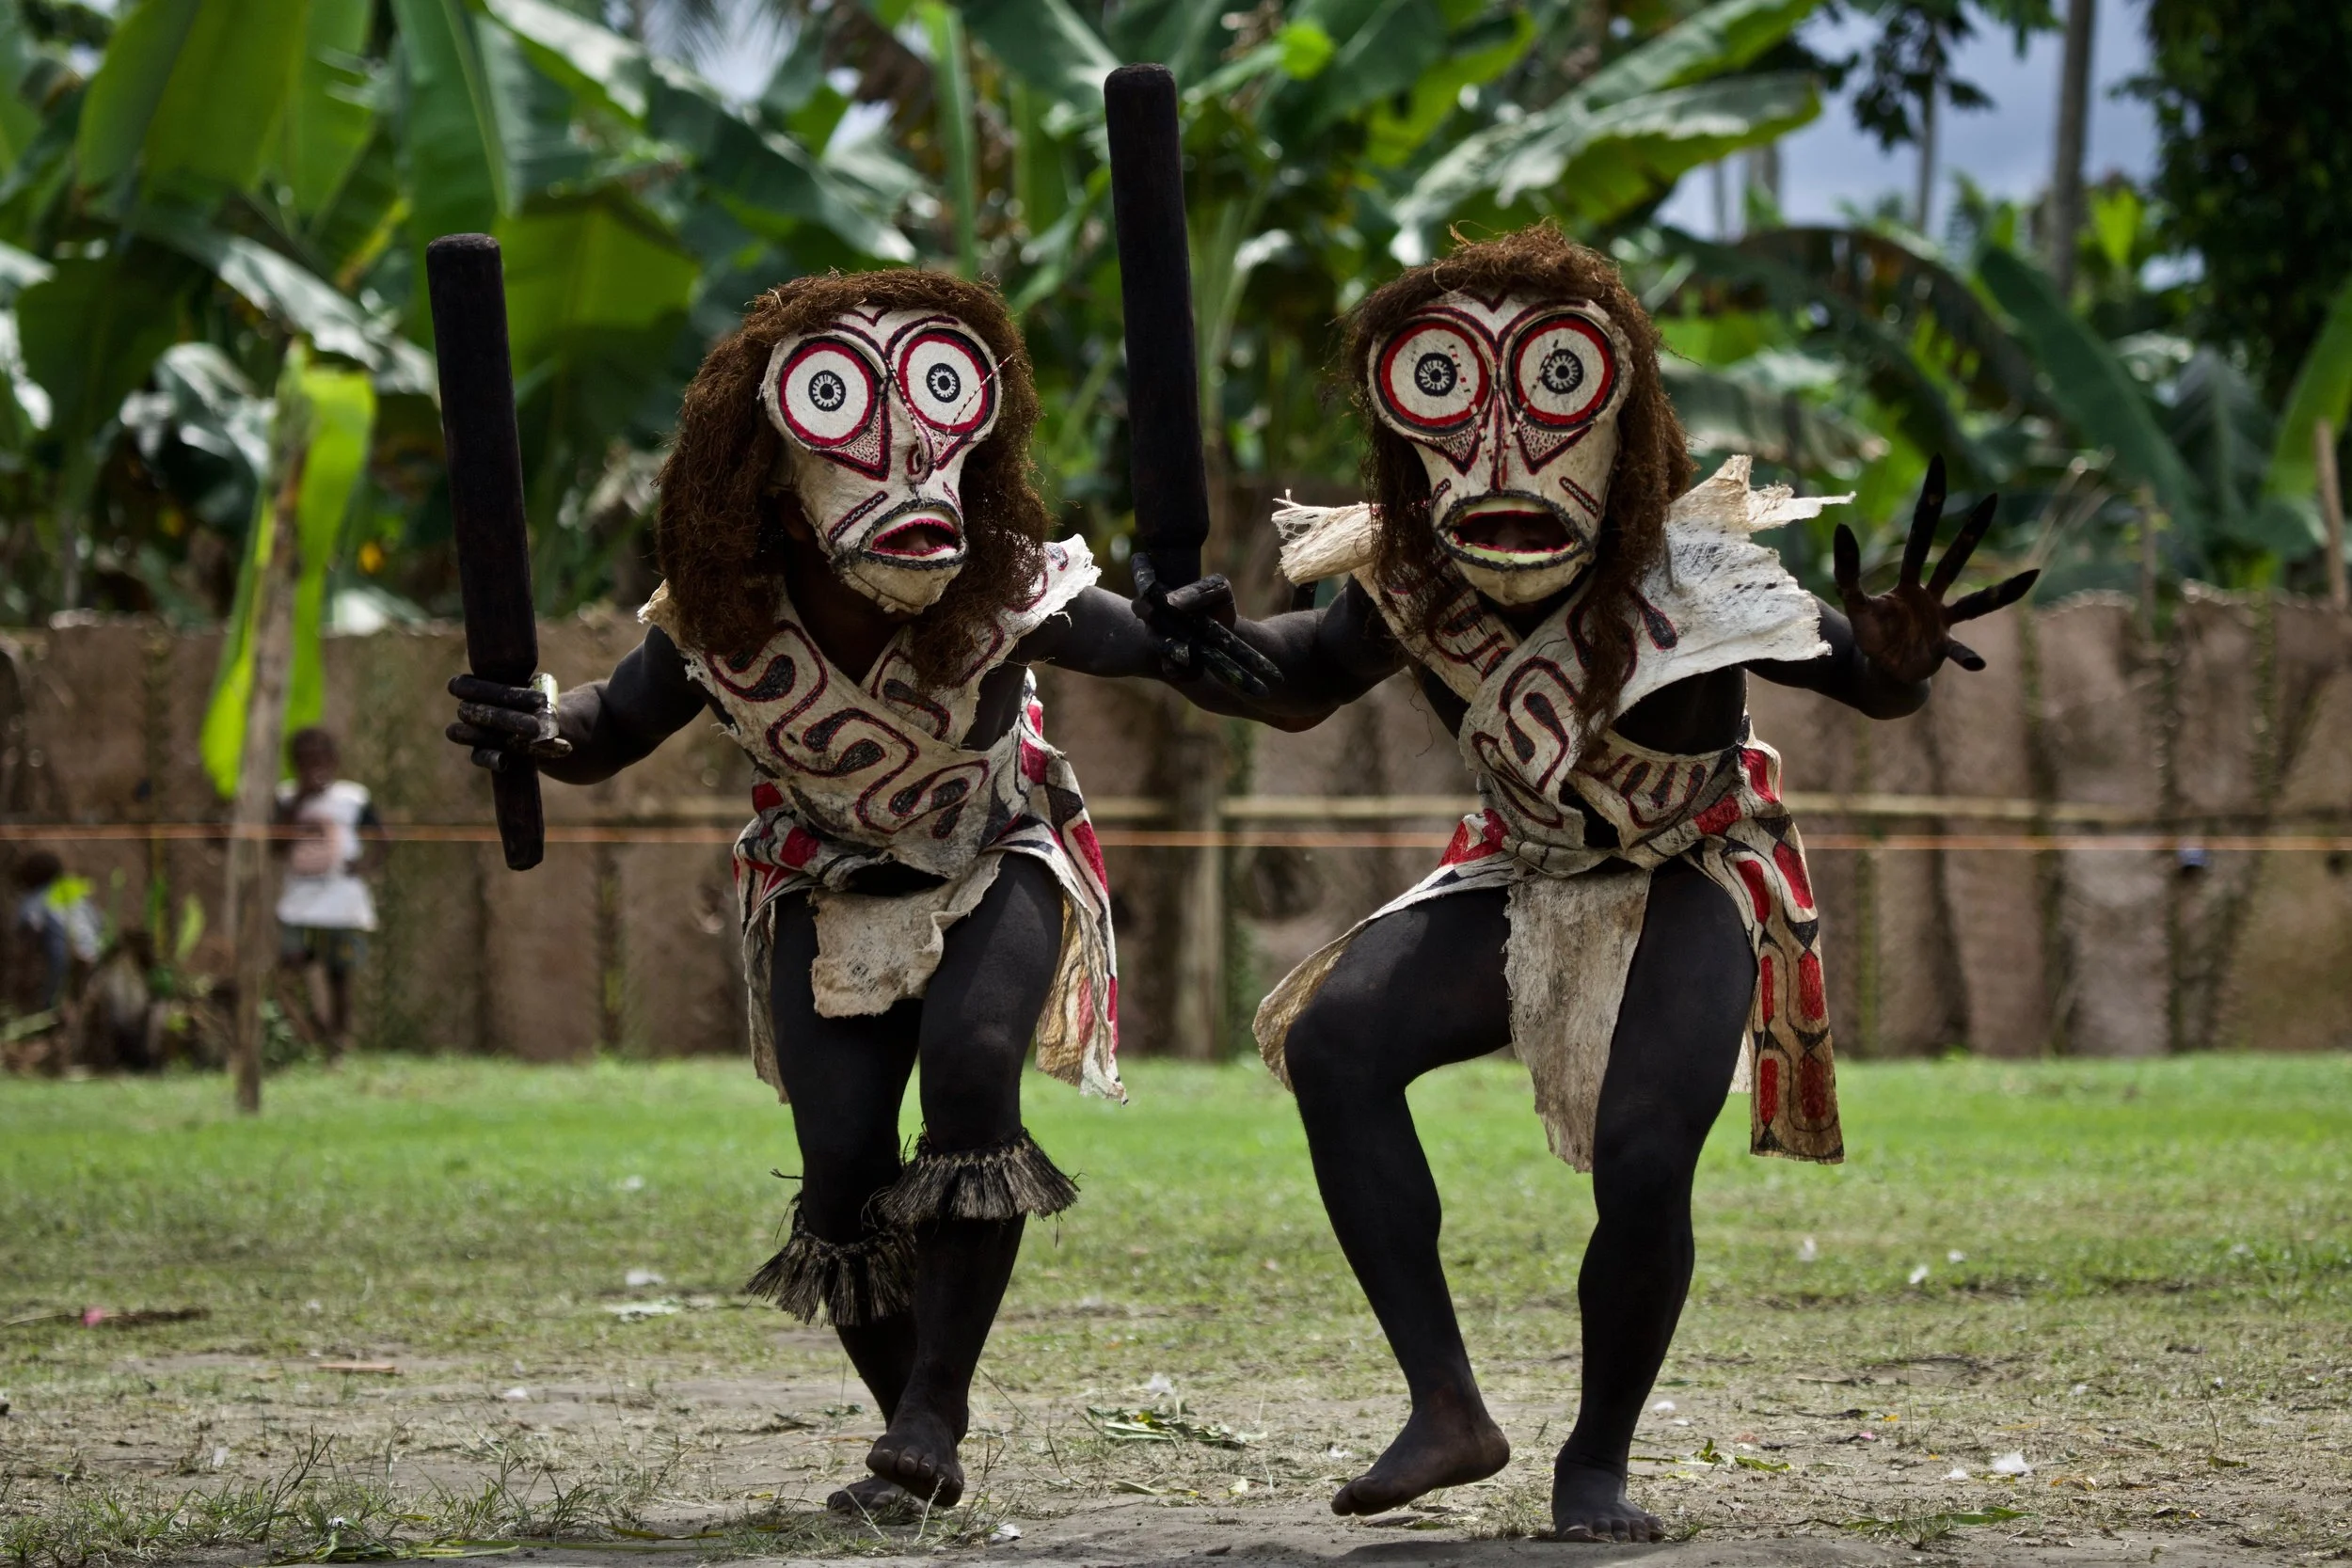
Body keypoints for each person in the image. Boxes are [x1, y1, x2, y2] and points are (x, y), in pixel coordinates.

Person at [1126, 226, 2038, 1542]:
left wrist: (1894, 659)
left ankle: (1595, 1460)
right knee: (1336, 1042)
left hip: (1691, 861)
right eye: (1453, 396)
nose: (1501, 448)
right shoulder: (1415, 574)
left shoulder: (1693, 565)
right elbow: (1300, 683)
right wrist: (1189, 642)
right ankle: (1446, 1405)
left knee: (1647, 1147)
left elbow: (1865, 678)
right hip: (1522, 862)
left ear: (1610, 416)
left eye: (1543, 395)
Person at [446, 269, 1271, 1518]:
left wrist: (1196, 623)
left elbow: (1174, 650)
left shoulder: (1003, 584)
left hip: (995, 851)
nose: (897, 470)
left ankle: (936, 1409)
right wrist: (532, 723)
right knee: (838, 1171)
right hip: (819, 877)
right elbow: (606, 725)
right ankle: (912, 1436)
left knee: (973, 1067)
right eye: (846, 429)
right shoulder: (721, 621)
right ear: (774, 474)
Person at [272, 727, 384, 1057]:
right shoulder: (284, 797)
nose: (313, 766)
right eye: (305, 761)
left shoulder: (353, 798)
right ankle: (310, 1034)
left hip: (342, 904)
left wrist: (364, 865)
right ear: (294, 764)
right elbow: (277, 845)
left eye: (320, 759)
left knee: (340, 974)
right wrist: (300, 799)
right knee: (291, 967)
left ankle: (338, 1042)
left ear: (334, 761)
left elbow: (382, 838)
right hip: (299, 904)